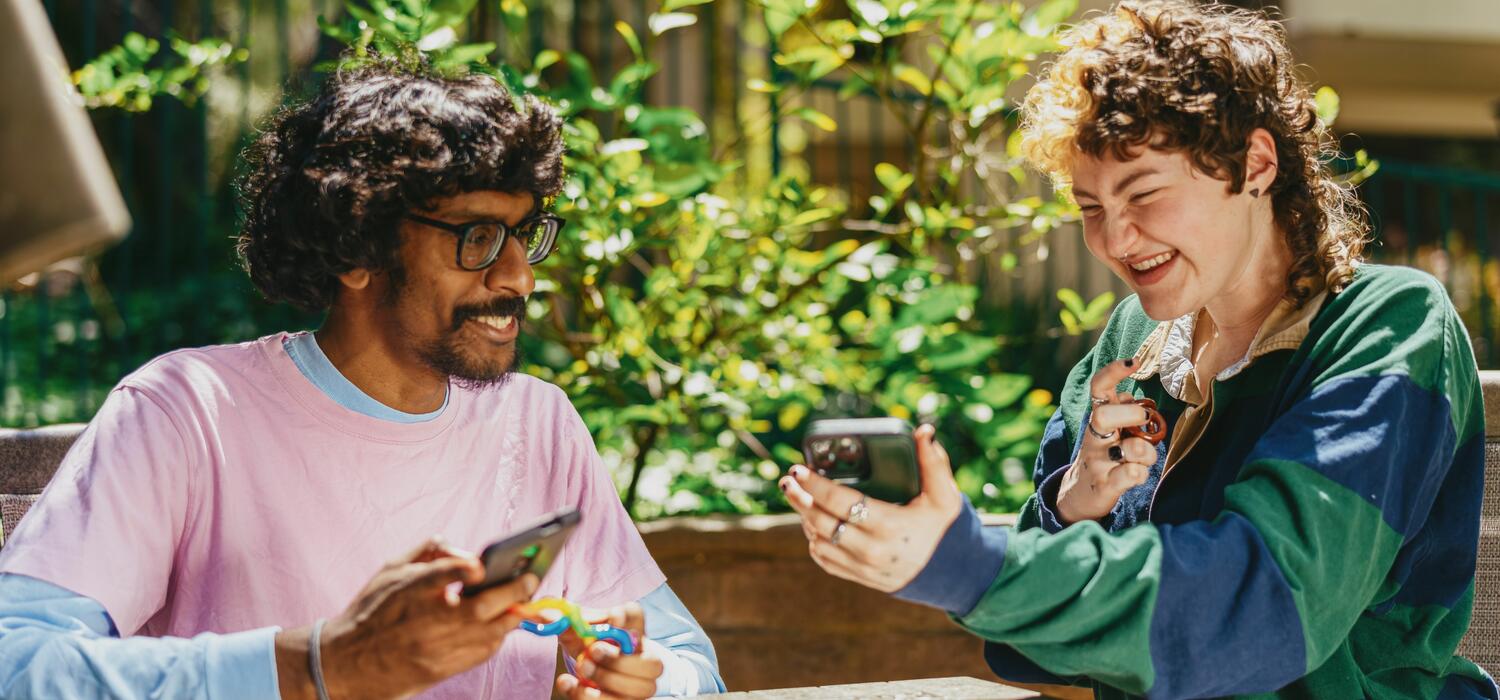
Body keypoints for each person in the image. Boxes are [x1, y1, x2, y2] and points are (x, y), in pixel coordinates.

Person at [781, 2, 1498, 698]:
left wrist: (967, 565)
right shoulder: (1135, 342)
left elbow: (1264, 615)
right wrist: (1078, 504)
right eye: (1091, 207)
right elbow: (1031, 653)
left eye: (1144, 193)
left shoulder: (1390, 323)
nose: (1115, 241)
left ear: (1254, 165)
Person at [0, 59, 724, 699]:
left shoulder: (538, 422)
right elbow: (18, 667)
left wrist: (640, 681)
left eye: (525, 233)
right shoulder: (188, 413)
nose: (521, 277)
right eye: (477, 238)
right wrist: (322, 667)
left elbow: (691, 663)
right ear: (357, 248)